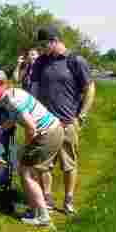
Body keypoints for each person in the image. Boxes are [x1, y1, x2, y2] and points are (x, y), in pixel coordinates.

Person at [29, 25, 95, 216]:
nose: (41, 49)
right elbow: (34, 88)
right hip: (45, 124)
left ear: (54, 41)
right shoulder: (40, 62)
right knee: (43, 165)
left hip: (68, 122)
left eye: (43, 45)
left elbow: (89, 88)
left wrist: (81, 116)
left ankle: (68, 200)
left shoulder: (75, 61)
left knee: (69, 164)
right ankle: (47, 199)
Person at [0, 79, 64, 228]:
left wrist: (25, 147)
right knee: (28, 171)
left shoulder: (12, 102)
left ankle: (43, 217)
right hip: (54, 130)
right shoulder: (13, 93)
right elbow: (13, 118)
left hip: (47, 134)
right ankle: (35, 210)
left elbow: (31, 127)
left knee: (26, 174)